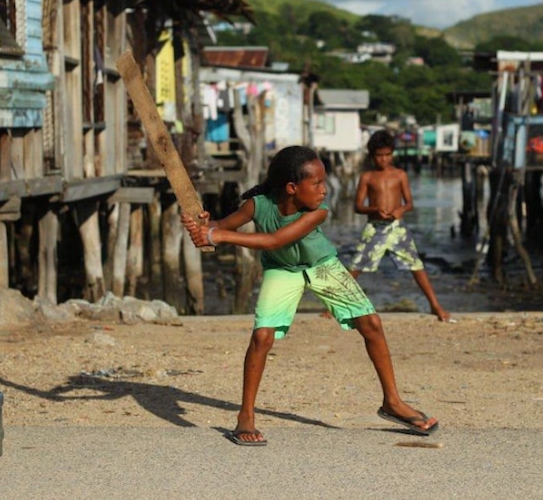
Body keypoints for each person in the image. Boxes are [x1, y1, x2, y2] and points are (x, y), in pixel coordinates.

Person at [181, 145, 439, 446]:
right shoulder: (257, 205)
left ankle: (392, 402)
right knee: (262, 337)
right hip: (282, 271)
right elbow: (220, 227)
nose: (324, 190)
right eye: (316, 183)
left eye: (324, 182)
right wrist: (201, 225)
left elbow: (274, 239)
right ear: (292, 187)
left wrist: (218, 236)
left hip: (322, 266)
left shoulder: (318, 212)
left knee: (371, 324)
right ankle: (245, 417)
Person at [348, 130, 451, 323]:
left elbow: (409, 203)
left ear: (392, 154)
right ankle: (333, 307)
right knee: (355, 267)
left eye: (387, 155)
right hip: (375, 226)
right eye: (379, 155)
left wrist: (400, 210)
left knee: (416, 267)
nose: (383, 159)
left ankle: (435, 305)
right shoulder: (367, 177)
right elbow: (357, 206)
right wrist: (374, 210)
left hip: (397, 227)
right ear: (372, 156)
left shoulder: (400, 175)